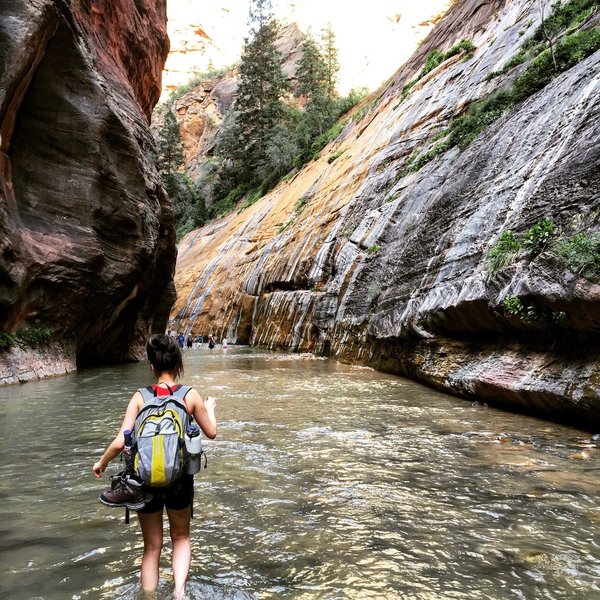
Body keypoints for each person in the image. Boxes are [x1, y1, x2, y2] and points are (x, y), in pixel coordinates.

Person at [92, 334, 218, 599]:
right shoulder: (190, 396)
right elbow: (212, 432)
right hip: (179, 480)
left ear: (151, 366)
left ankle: (149, 597)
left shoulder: (140, 397)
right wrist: (209, 407)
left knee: (151, 547)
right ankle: (180, 593)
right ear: (178, 363)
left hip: (144, 481)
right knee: (181, 538)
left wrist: (101, 463)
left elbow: (119, 441)